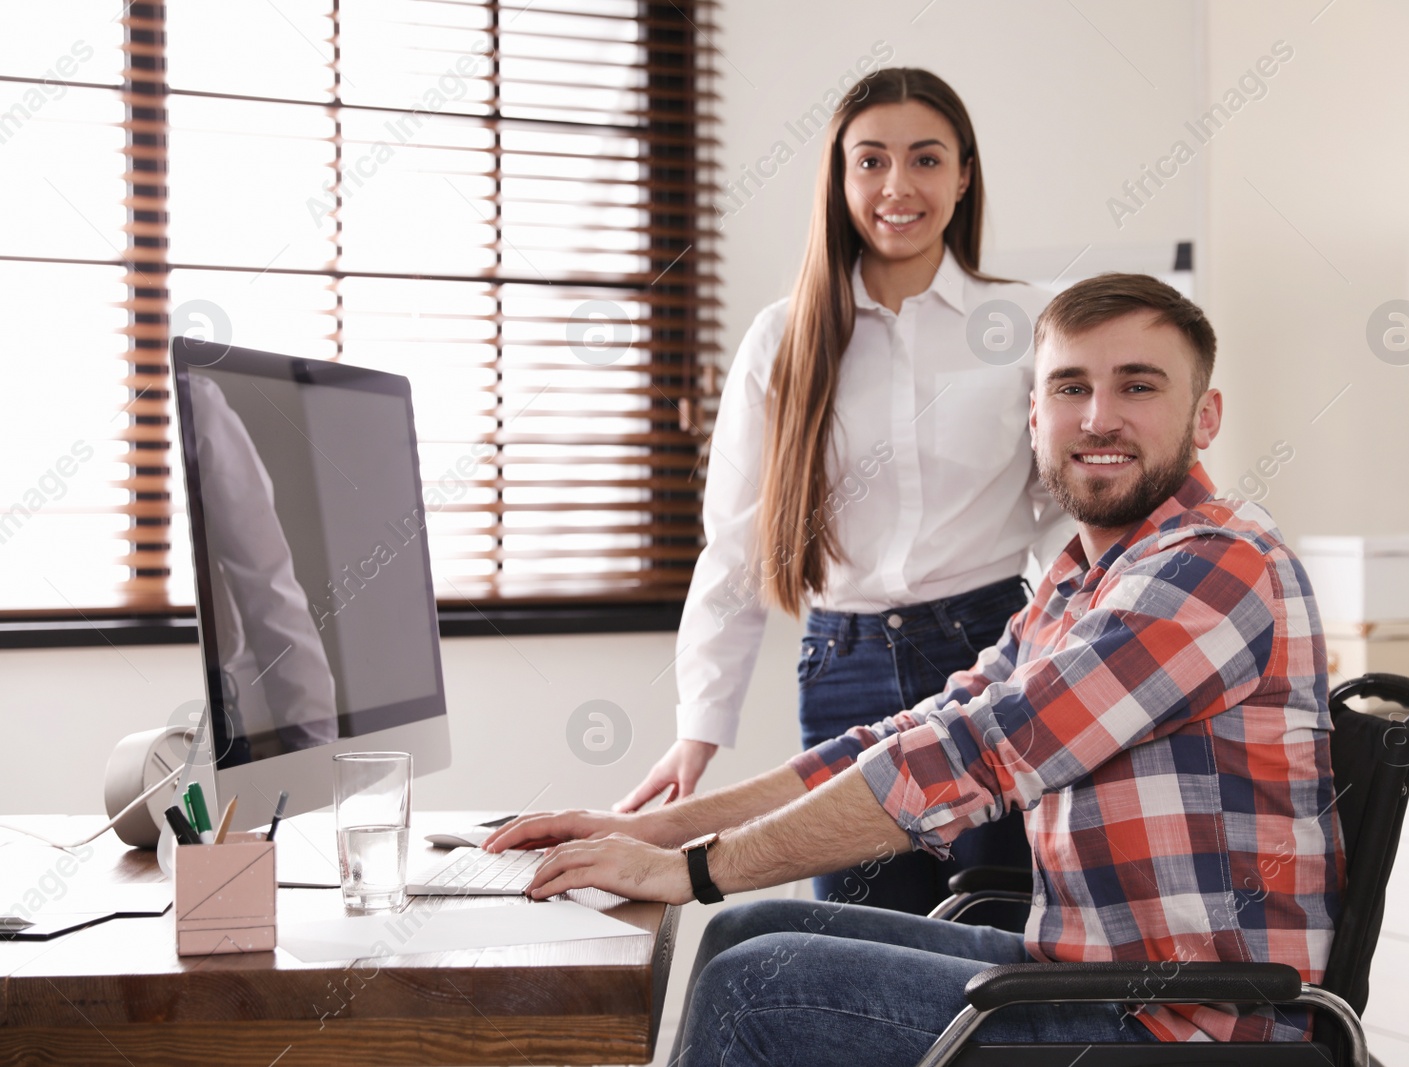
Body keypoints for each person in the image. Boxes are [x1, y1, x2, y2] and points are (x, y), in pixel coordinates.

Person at [486, 273, 1345, 1061]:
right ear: (1035, 415)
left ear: (1206, 417)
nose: (1098, 417)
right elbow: (919, 729)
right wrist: (660, 831)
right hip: (1094, 970)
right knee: (739, 936)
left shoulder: (1215, 566)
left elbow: (977, 754)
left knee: (757, 988)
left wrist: (694, 870)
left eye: (1139, 385)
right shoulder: (1084, 577)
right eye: (1070, 386)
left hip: (1183, 1021)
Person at [615, 67, 1068, 920]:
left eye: (926, 159)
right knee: (863, 950)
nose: (898, 186)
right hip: (842, 673)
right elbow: (738, 545)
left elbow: (1070, 509)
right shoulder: (783, 336)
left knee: (997, 936)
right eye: (872, 162)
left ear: (963, 175)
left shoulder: (1030, 325)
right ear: (840, 176)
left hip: (989, 656)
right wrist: (697, 729)